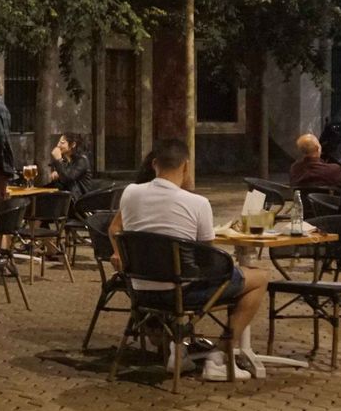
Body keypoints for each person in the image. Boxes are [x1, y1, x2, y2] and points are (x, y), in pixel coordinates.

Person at [109, 138, 268, 381]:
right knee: (259, 277)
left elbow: (117, 229)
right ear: (186, 166)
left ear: (154, 164)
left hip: (141, 291)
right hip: (181, 293)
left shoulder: (130, 193)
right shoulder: (198, 203)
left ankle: (179, 350)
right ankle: (220, 356)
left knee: (186, 272)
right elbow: (206, 256)